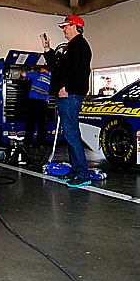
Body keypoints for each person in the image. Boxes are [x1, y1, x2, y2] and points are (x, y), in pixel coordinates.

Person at [41, 16, 92, 187]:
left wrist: (68, 88)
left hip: (70, 96)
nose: (63, 29)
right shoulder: (69, 48)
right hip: (65, 96)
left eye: (66, 26)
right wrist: (47, 49)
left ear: (75, 26)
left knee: (72, 134)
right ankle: (77, 169)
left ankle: (83, 173)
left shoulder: (80, 46)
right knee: (69, 134)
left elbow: (82, 72)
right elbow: (56, 67)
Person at [22, 67, 51, 147]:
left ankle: (28, 143)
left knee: (30, 123)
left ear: (42, 69)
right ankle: (41, 143)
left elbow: (23, 74)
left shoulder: (37, 74)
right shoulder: (50, 79)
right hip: (43, 103)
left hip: (34, 102)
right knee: (42, 124)